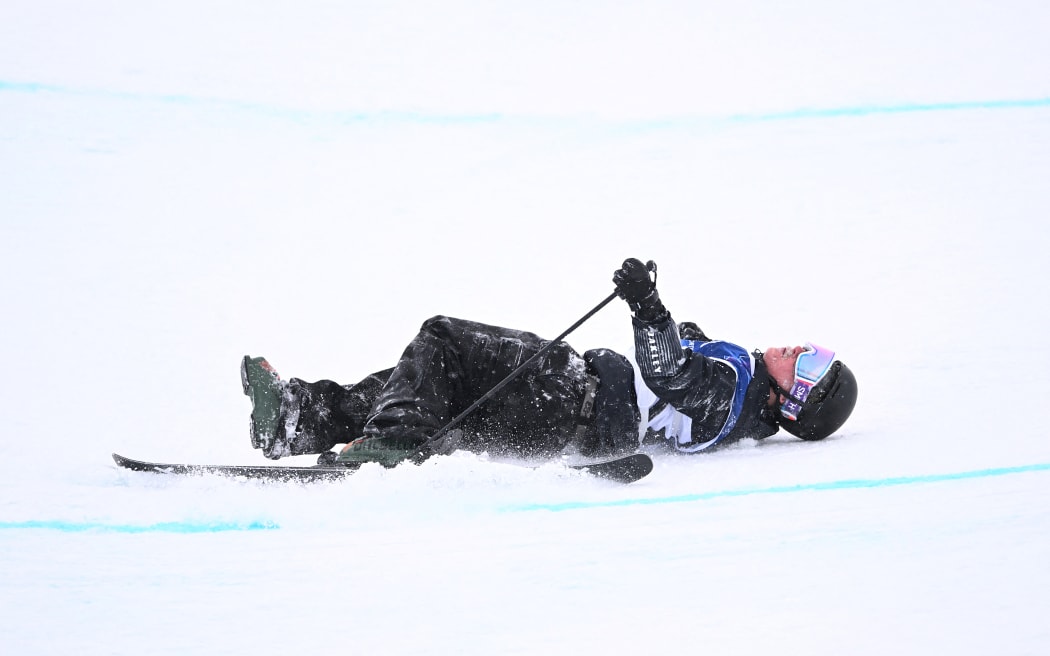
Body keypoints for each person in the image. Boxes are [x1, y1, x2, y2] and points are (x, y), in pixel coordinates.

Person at [241, 258, 858, 466]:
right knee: (427, 379)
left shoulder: (733, 395)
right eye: (812, 350)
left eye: (809, 367)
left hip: (569, 395)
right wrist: (678, 327)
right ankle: (298, 419)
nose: (800, 350)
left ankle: (394, 444)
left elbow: (669, 372)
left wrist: (648, 307)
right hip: (563, 409)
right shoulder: (737, 393)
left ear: (794, 404)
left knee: (444, 341)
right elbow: (682, 368)